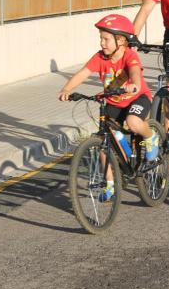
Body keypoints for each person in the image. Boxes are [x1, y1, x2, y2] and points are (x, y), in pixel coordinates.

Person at [58, 14, 159, 201]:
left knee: (133, 122)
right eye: (100, 38)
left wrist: (134, 84)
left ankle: (150, 137)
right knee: (103, 142)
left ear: (120, 40)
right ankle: (110, 183)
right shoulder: (100, 57)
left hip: (137, 98)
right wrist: (67, 89)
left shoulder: (129, 55)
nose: (102, 43)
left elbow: (135, 72)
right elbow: (83, 73)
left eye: (106, 39)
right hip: (113, 102)